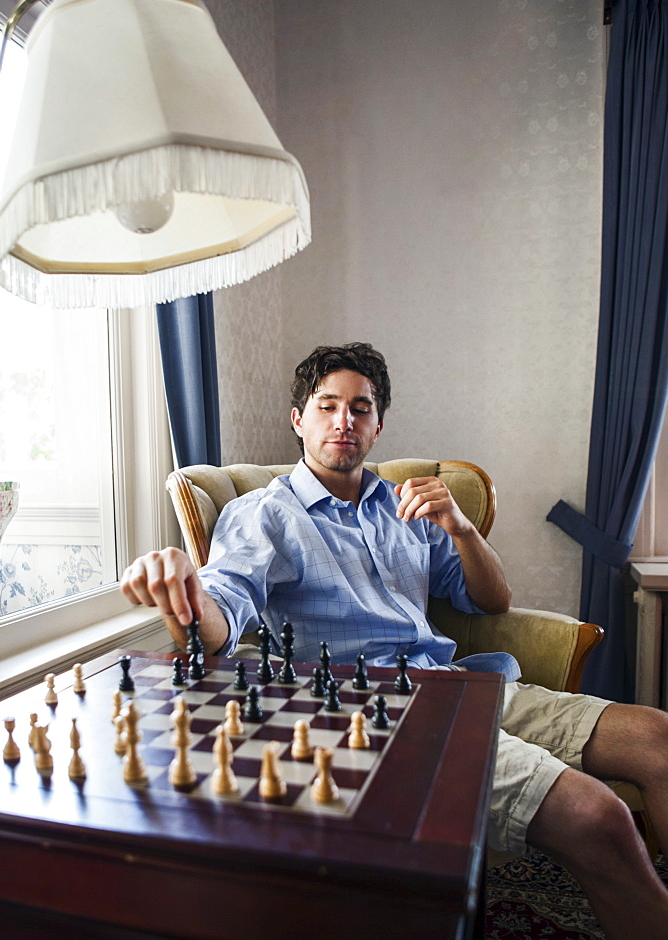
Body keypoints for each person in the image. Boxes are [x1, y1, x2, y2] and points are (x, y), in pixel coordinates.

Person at [122, 342, 668, 940]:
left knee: (658, 739)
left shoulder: (406, 504)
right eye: (327, 405)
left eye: (361, 408)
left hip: (463, 683)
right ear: (299, 419)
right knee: (600, 817)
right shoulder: (265, 515)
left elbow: (492, 600)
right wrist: (184, 592)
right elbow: (222, 617)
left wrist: (459, 527)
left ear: (378, 424)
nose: (344, 421)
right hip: (377, 712)